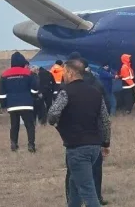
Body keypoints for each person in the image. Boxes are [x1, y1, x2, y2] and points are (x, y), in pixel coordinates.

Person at [48, 59, 111, 207]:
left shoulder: (66, 92)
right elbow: (106, 121)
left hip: (77, 147)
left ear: (70, 72)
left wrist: (56, 123)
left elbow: (52, 113)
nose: (63, 76)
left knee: (88, 191)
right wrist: (106, 143)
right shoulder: (96, 92)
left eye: (64, 72)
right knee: (75, 185)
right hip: (95, 147)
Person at [0, 52, 39, 153]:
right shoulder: (28, 73)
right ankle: (31, 145)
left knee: (14, 125)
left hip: (12, 105)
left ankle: (14, 144)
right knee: (29, 125)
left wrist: (4, 105)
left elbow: (2, 93)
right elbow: (35, 88)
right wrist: (33, 97)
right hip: (26, 103)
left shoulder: (4, 75)